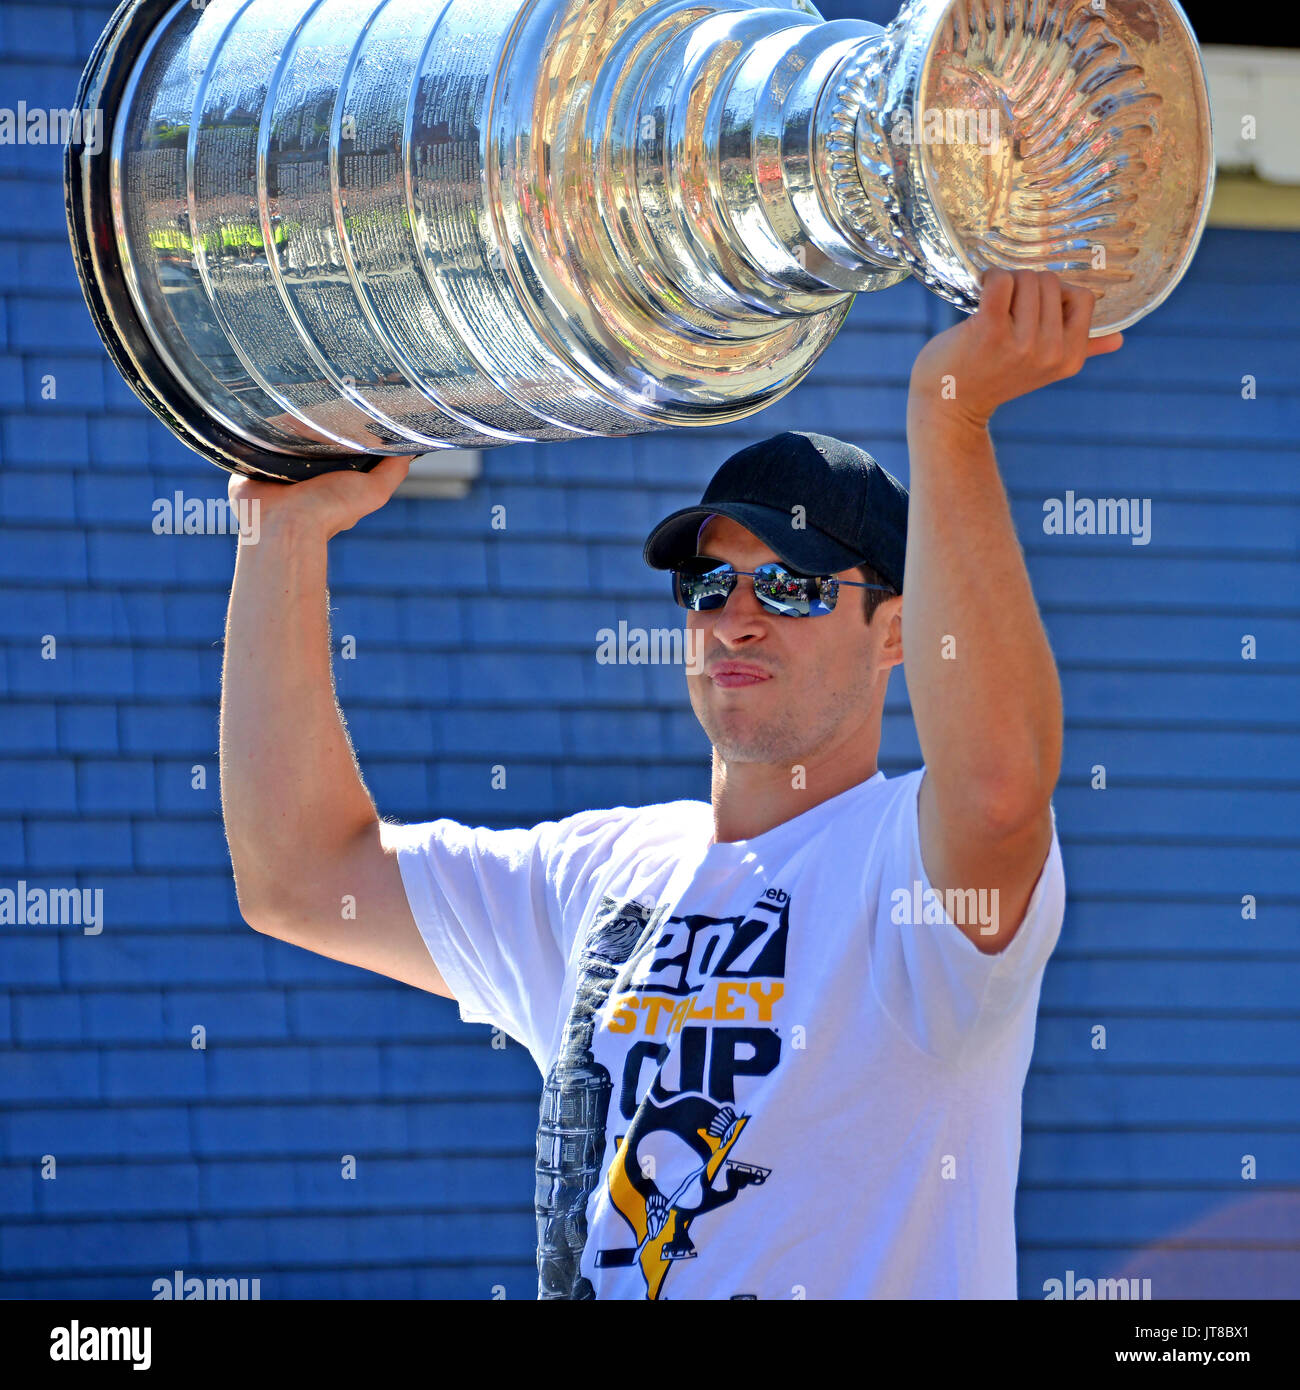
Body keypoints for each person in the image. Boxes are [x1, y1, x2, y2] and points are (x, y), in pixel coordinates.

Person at [220, 268, 1124, 1299]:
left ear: (896, 632)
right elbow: (297, 875)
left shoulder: (901, 865)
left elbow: (1001, 787)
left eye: (789, 585)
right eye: (707, 582)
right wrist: (279, 536)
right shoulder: (601, 869)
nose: (735, 617)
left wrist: (951, 418)